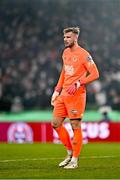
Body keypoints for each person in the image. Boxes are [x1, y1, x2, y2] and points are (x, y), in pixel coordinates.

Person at [51, 27, 99, 169]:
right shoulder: (65, 52)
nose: (65, 39)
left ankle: (75, 161)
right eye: (64, 37)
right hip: (63, 94)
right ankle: (70, 153)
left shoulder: (84, 54)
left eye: (68, 37)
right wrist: (57, 90)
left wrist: (79, 83)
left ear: (76, 37)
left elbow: (95, 74)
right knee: (55, 123)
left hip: (76, 95)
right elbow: (64, 72)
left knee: (75, 126)